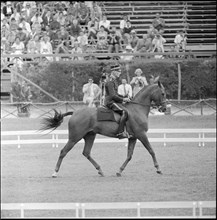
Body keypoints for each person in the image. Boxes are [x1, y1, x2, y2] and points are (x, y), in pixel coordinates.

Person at [104, 64, 131, 139]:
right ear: (114, 72)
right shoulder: (110, 81)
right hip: (110, 102)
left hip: (114, 101)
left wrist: (125, 97)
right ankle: (120, 132)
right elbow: (113, 96)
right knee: (124, 112)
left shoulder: (114, 81)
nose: (120, 72)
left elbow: (116, 94)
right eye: (118, 71)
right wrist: (123, 99)